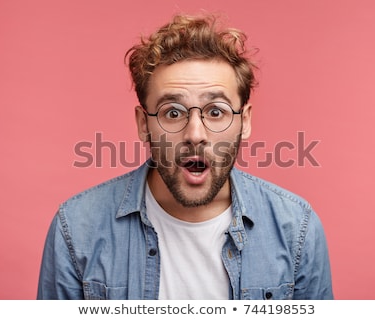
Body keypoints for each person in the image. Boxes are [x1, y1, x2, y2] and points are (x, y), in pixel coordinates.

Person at [37, 13, 333, 300]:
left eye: (216, 111)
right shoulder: (76, 228)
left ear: (245, 122)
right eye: (173, 113)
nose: (194, 134)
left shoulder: (297, 228)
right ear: (144, 124)